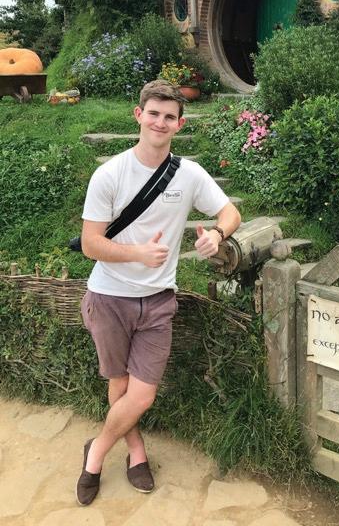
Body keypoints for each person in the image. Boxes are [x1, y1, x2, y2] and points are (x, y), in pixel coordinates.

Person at [76, 79, 241, 506]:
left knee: (143, 393)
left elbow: (230, 212)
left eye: (169, 117)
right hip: (109, 297)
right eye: (153, 113)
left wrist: (218, 234)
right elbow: (91, 244)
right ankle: (135, 452)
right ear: (139, 115)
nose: (160, 122)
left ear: (179, 124)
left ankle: (95, 451)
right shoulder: (109, 174)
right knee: (120, 384)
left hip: (158, 300)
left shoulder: (189, 174)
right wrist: (137, 253)